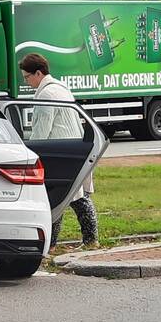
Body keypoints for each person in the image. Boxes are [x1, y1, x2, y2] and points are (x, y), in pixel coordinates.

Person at [19, 52, 99, 249]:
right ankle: (86, 241)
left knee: (60, 198)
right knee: (67, 196)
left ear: (38, 73)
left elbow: (42, 129)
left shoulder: (46, 94)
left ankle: (60, 244)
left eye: (27, 77)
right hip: (71, 147)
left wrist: (31, 152)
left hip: (56, 149)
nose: (27, 81)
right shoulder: (60, 88)